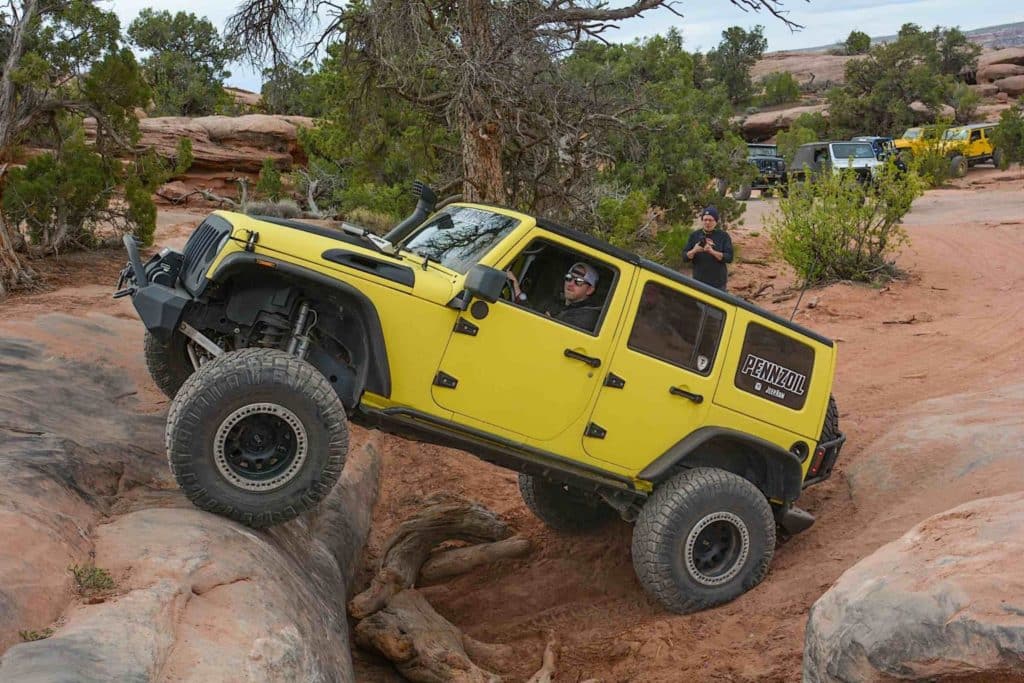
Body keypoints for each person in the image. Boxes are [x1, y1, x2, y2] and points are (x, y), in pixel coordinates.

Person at [507, 261, 601, 332]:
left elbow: (539, 329)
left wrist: (517, 291)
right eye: (569, 277)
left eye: (579, 281)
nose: (570, 284)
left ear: (590, 290)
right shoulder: (555, 303)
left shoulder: (588, 316)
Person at [684, 206, 733, 291]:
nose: (707, 222)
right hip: (699, 282)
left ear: (716, 222)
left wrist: (712, 252)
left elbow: (729, 257)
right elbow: (685, 257)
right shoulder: (694, 235)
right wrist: (694, 250)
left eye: (710, 220)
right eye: (705, 220)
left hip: (718, 283)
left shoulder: (723, 236)